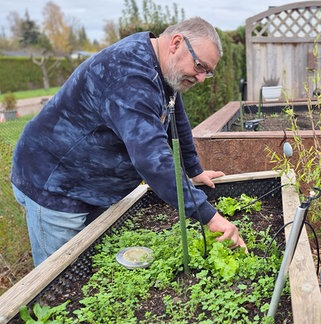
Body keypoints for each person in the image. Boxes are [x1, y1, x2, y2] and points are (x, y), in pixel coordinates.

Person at [11, 17, 246, 267]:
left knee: (92, 270)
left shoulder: (161, 67)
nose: (201, 78)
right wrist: (209, 217)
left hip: (91, 185)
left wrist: (193, 170)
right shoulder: (129, 76)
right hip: (55, 185)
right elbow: (152, 159)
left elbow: (175, 112)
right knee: (60, 283)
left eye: (207, 72)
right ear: (176, 43)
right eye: (200, 66)